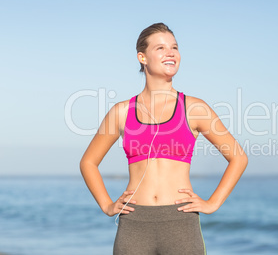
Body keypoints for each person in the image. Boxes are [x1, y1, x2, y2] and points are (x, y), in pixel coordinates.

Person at [80, 22, 248, 255]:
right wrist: (107, 205)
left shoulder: (194, 108)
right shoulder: (121, 112)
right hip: (134, 224)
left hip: (180, 223)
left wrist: (213, 203)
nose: (170, 53)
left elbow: (238, 157)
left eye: (174, 47)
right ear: (142, 57)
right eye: (160, 48)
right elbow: (88, 162)